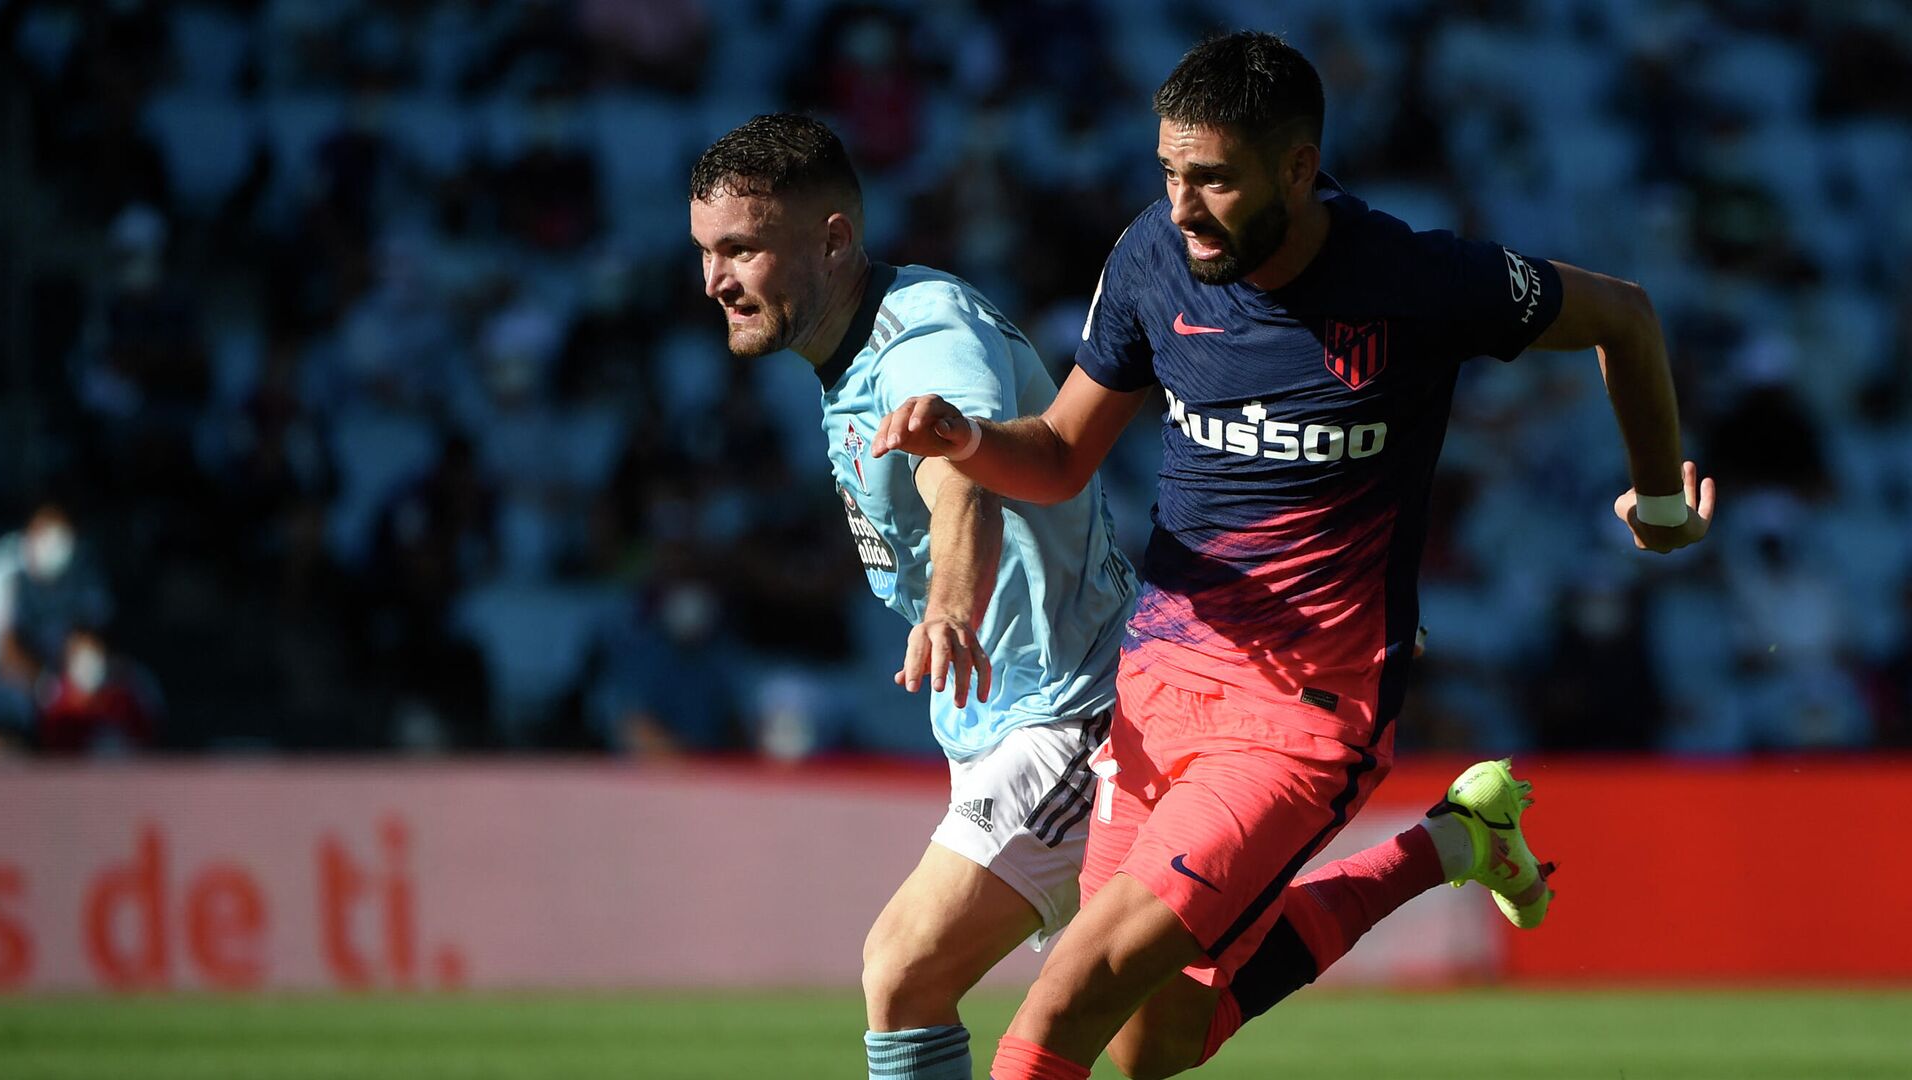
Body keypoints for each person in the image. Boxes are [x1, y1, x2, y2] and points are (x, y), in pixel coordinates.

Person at [873, 32, 1716, 1080]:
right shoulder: (1149, 257)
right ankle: (1448, 847)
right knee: (1154, 1045)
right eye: (1170, 174)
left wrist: (1662, 497)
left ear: (1299, 168)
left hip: (1307, 716)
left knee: (1067, 994)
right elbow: (1054, 457)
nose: (1183, 207)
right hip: (1157, 689)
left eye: (1213, 180)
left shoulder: (1414, 279)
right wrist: (968, 442)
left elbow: (1624, 316)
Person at [693, 114, 1568, 1080]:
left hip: (1076, 711)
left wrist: (949, 600)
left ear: (831, 237)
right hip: (1000, 716)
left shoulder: (922, 341)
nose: (715, 281)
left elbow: (963, 476)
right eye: (706, 252)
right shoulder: (853, 353)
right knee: (1161, 1041)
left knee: (904, 972)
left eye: (742, 249)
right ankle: (1448, 847)